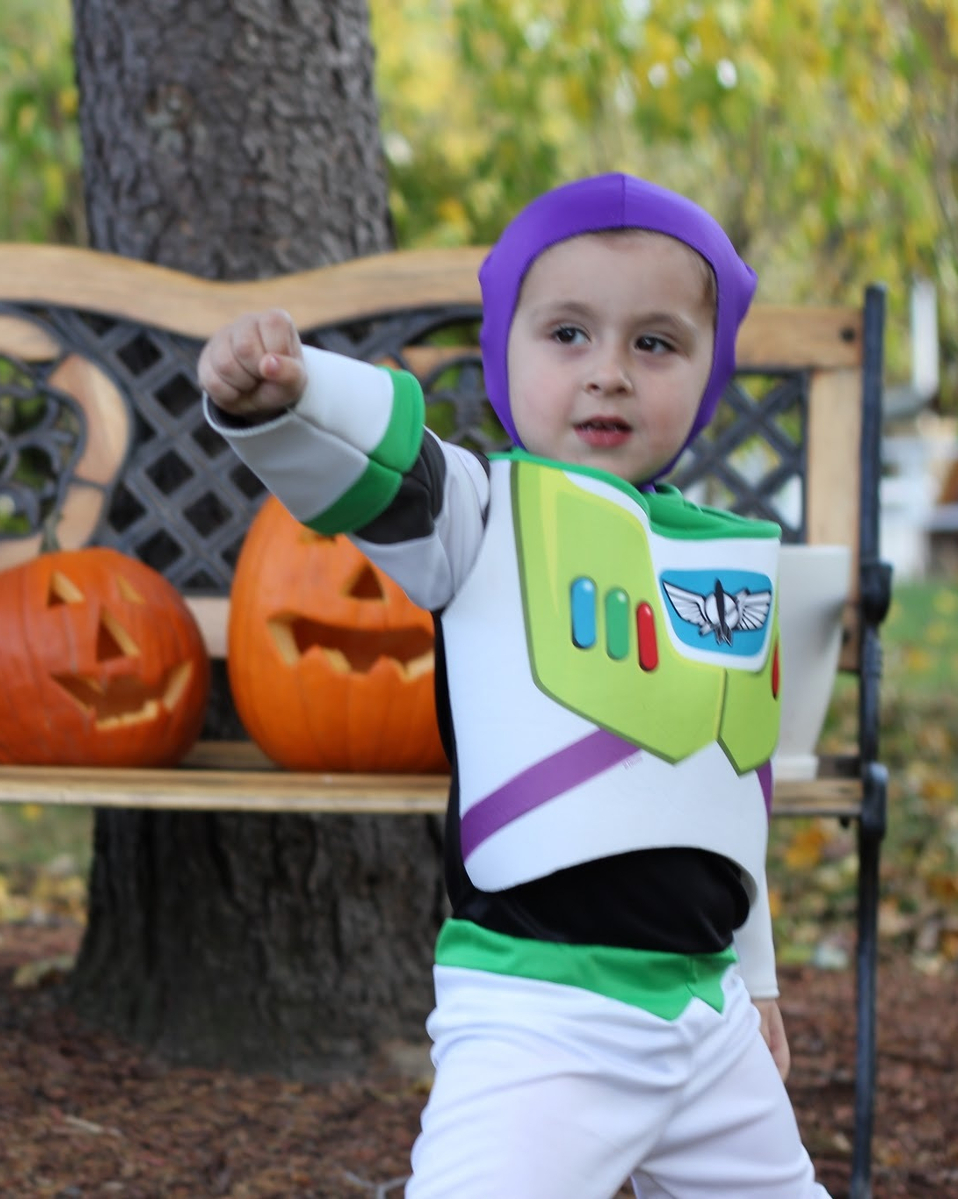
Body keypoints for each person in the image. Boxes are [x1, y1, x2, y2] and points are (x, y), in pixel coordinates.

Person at [197, 173, 831, 1198]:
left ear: (708, 373)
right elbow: (383, 460)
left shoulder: (726, 553)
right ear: (503, 353)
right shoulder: (478, 514)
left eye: (654, 343)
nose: (608, 374)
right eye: (566, 334)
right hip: (542, 1015)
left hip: (705, 1014)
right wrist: (292, 394)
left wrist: (752, 974)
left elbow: (729, 783)